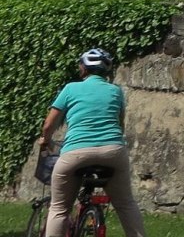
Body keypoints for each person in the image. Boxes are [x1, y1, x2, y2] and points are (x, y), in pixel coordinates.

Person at [37, 47, 148, 237]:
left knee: (59, 208)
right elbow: (120, 124)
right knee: (126, 204)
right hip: (113, 151)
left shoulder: (71, 88)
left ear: (84, 68)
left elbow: (48, 124)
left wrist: (45, 141)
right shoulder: (115, 91)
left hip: (76, 152)